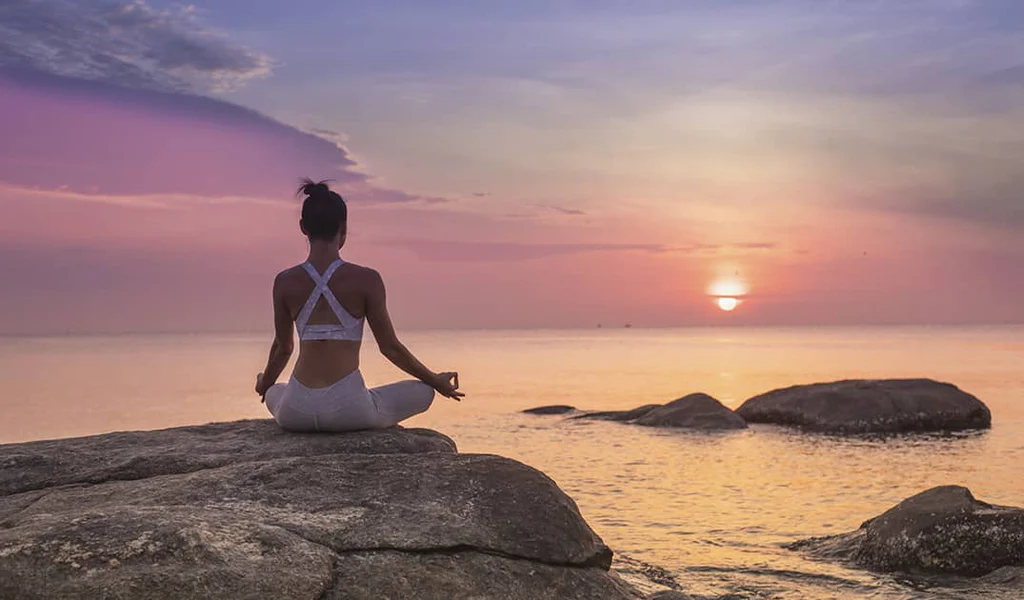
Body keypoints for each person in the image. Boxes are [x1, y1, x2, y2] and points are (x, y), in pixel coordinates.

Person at [255, 179, 463, 432]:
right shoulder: (367, 279)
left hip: (296, 412)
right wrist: (436, 381)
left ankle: (288, 396)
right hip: (349, 410)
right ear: (343, 228)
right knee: (424, 392)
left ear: (303, 228)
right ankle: (368, 397)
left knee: (277, 390)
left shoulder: (285, 281)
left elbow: (282, 348)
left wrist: (264, 383)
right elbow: (390, 348)